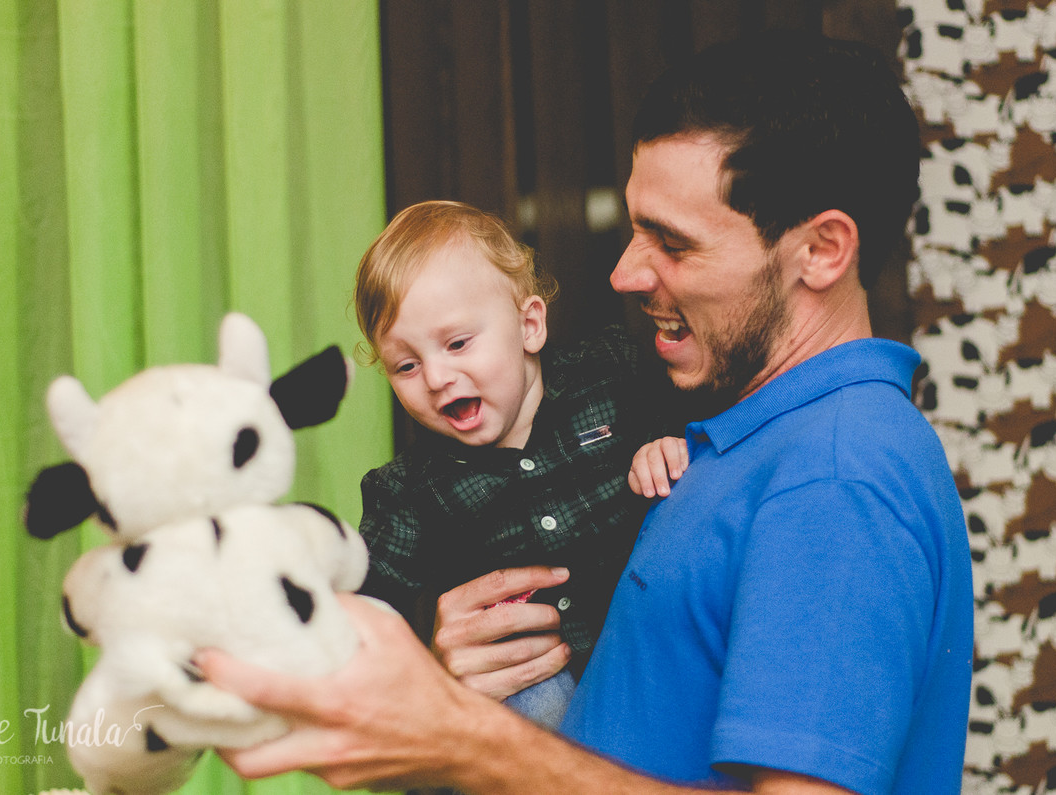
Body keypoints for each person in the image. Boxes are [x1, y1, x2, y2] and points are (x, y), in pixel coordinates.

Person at [197, 31, 974, 794]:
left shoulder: (835, 479)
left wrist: (472, 743)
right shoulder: (739, 434)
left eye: (673, 242)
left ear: (822, 250)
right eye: (637, 227)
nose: (625, 271)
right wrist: (450, 677)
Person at [351, 199, 685, 729]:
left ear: (529, 326)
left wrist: (669, 441)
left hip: (644, 659)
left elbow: (706, 418)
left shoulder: (611, 377)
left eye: (457, 343)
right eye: (406, 365)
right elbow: (365, 607)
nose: (436, 378)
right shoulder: (411, 493)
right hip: (530, 683)